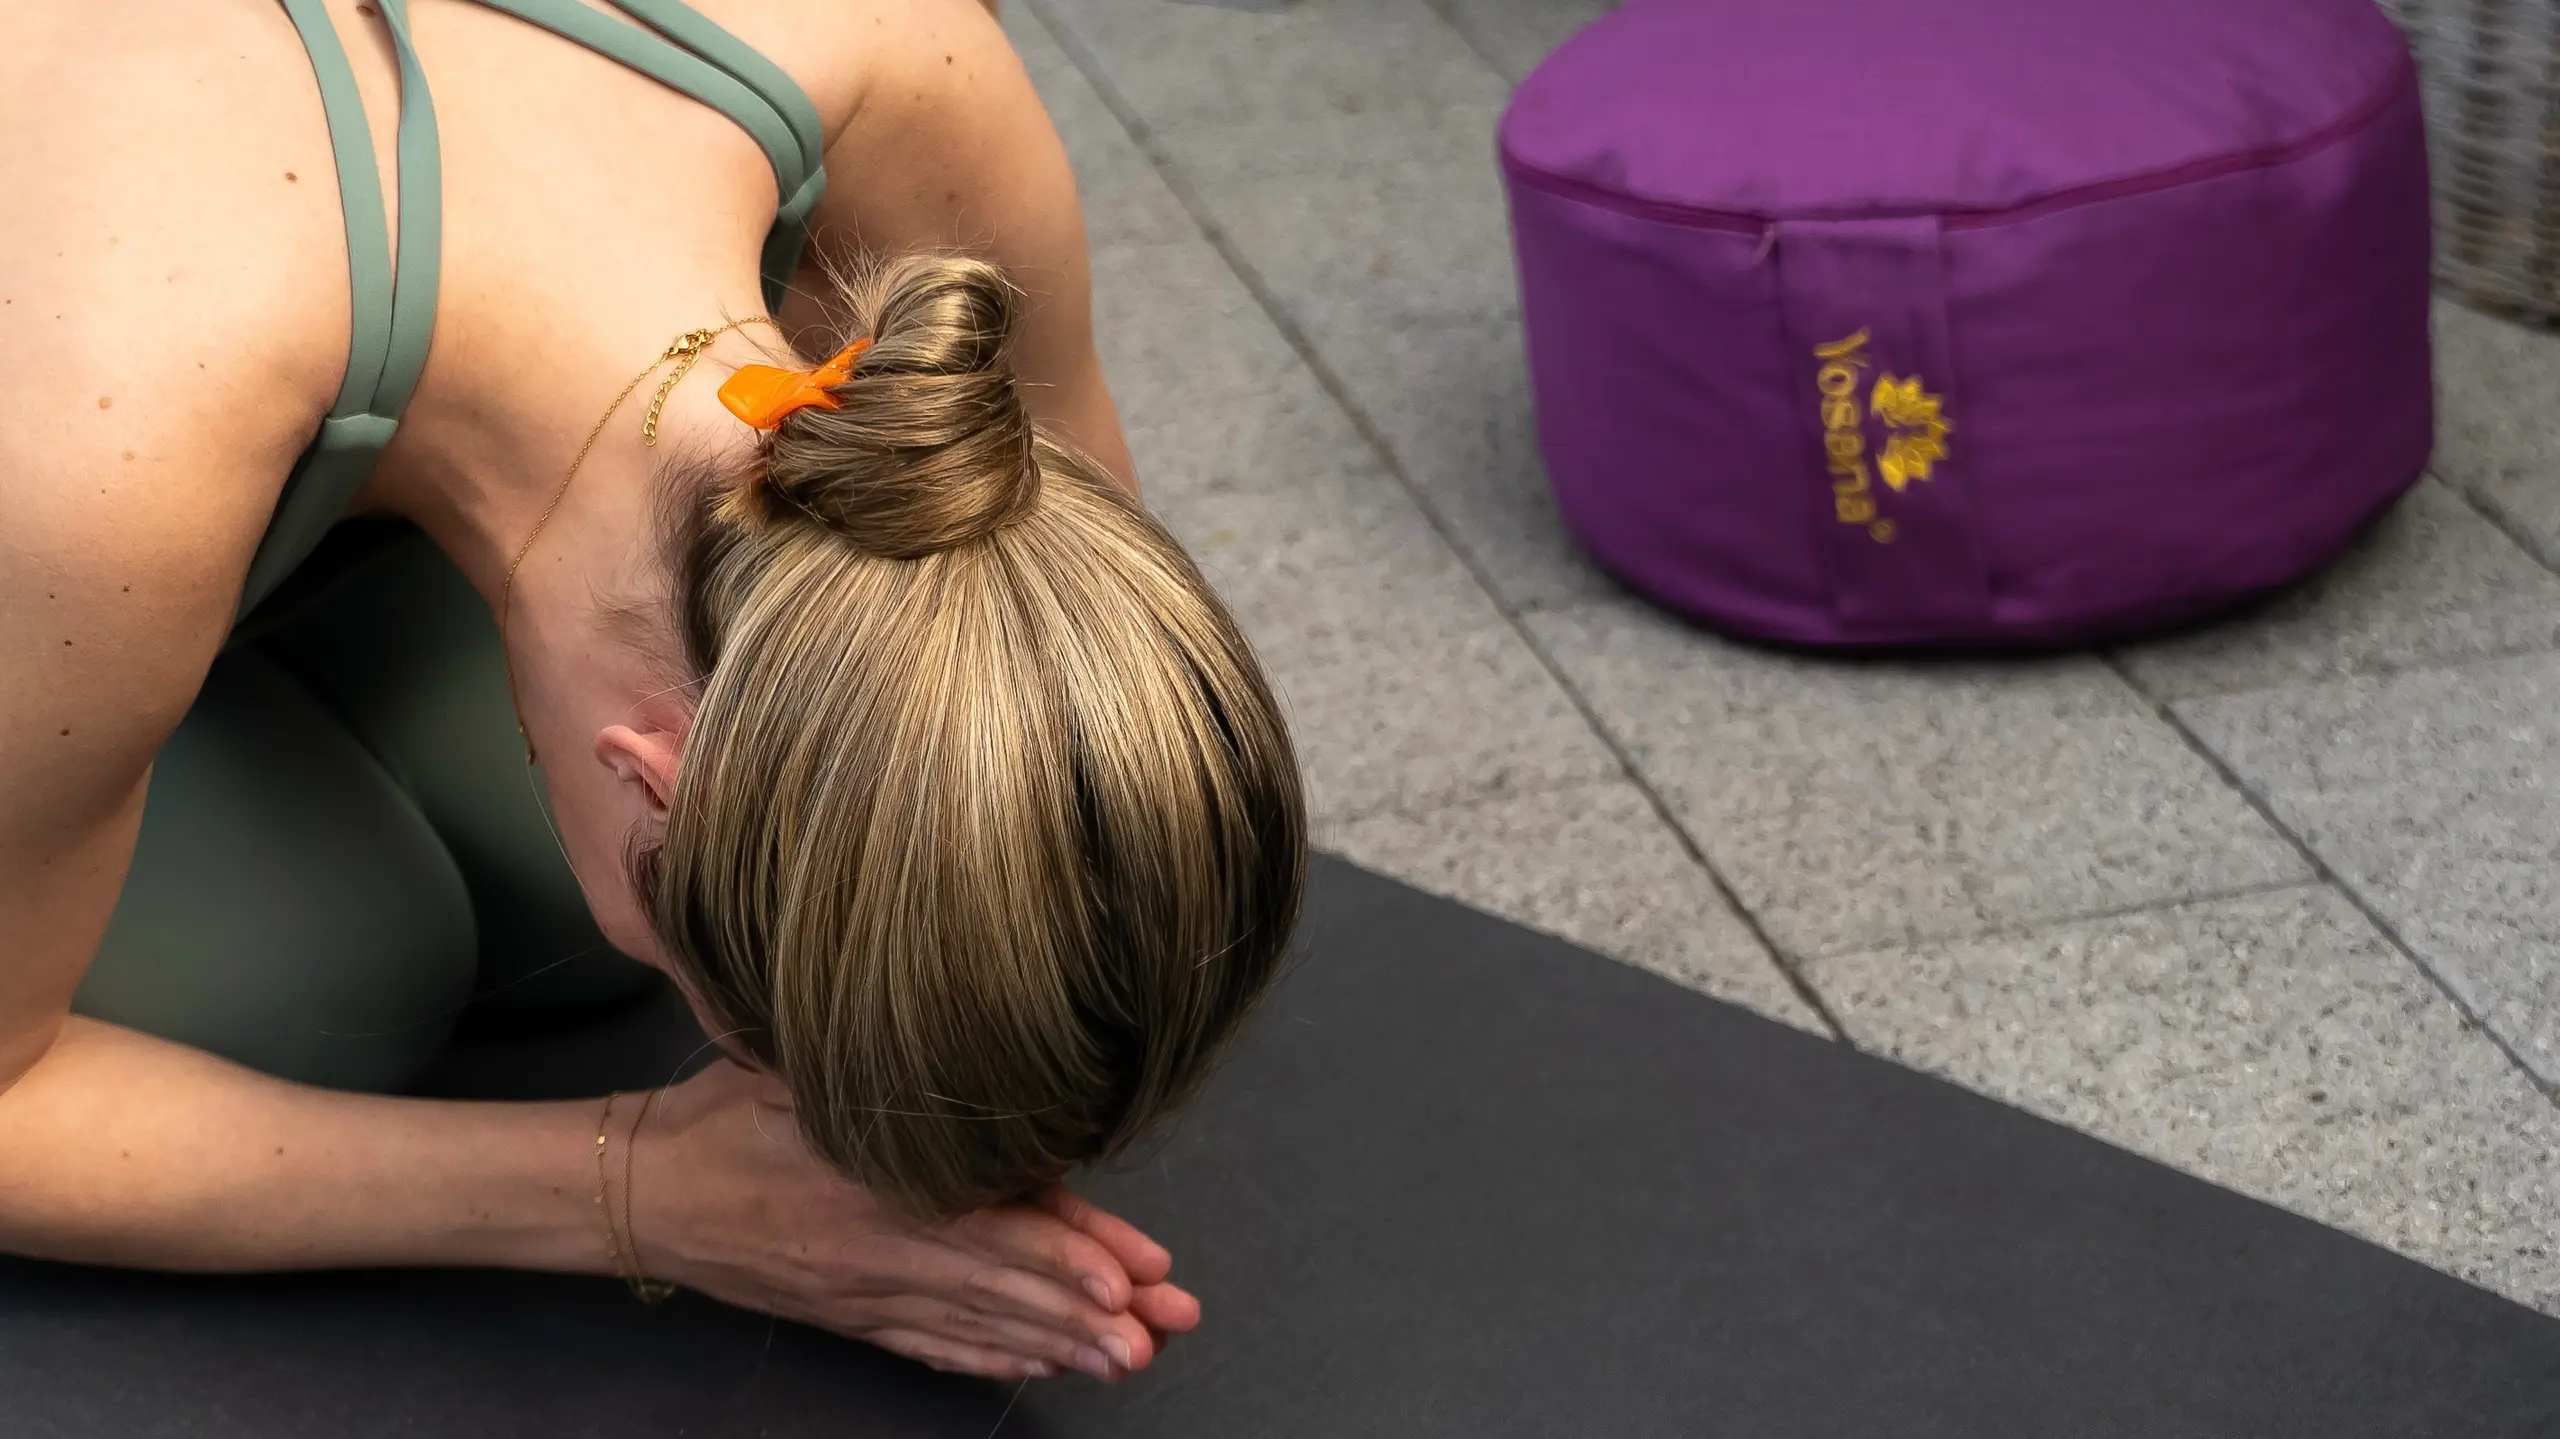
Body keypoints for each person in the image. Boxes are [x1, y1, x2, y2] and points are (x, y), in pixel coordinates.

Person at [0, 0, 1306, 1388]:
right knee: (316, 977)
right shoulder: (107, 439)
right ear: (656, 779)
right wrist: (636, 1192)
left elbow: (1032, 677)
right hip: (88, 436)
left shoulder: (900, 60)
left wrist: (991, 1061)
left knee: (555, 882)